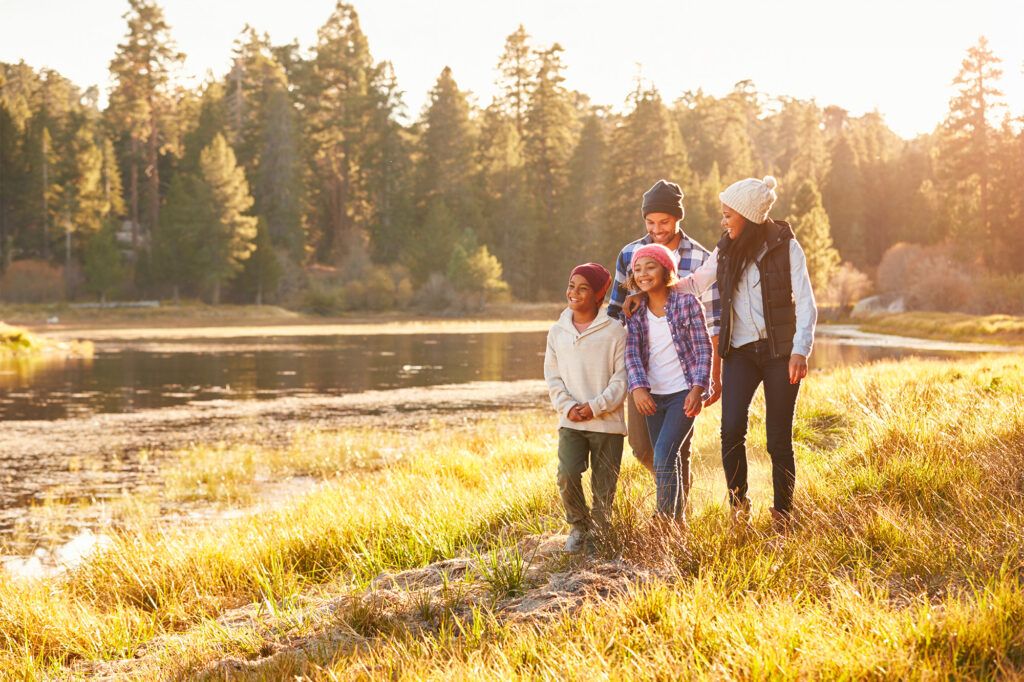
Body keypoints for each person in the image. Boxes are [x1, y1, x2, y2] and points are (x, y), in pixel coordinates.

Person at [626, 176, 817, 532]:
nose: (724, 221)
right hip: (740, 352)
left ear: (748, 215)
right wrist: (650, 289)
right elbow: (697, 281)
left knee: (778, 437)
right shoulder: (726, 248)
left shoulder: (786, 247)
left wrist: (800, 350)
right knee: (730, 431)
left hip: (780, 353)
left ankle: (783, 513)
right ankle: (738, 503)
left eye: (729, 214)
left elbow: (806, 303)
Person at [607, 180, 721, 477]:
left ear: (678, 218)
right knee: (643, 448)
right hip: (643, 371)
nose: (657, 229)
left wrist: (713, 378)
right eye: (650, 222)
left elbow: (714, 320)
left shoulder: (700, 257)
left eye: (665, 221)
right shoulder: (629, 254)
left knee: (675, 449)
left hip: (685, 373)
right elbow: (616, 313)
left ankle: (672, 518)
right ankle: (676, 491)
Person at [623, 243, 712, 524]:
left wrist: (698, 389)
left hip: (682, 395)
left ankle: (662, 521)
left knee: (664, 453)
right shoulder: (635, 312)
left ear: (666, 270)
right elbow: (632, 353)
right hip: (653, 397)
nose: (643, 274)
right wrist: (638, 388)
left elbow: (703, 349)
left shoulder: (687, 304)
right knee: (667, 457)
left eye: (650, 267)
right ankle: (676, 524)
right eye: (637, 269)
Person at [544, 263, 628, 553]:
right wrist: (569, 408)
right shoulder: (557, 332)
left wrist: (595, 407)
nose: (574, 292)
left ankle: (601, 536)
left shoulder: (615, 332)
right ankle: (579, 527)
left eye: (583, 288)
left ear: (598, 295)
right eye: (571, 285)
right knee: (567, 474)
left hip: (607, 423)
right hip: (571, 422)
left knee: (605, 486)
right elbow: (552, 376)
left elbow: (621, 380)